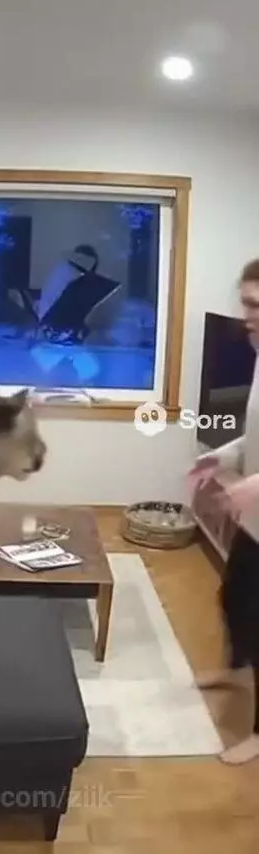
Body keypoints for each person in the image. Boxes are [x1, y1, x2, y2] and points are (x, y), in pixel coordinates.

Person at [188, 257, 259, 765]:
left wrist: (254, 486)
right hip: (255, 524)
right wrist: (227, 455)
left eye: (255, 305)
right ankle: (236, 672)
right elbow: (255, 437)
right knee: (234, 598)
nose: (245, 315)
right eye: (245, 303)